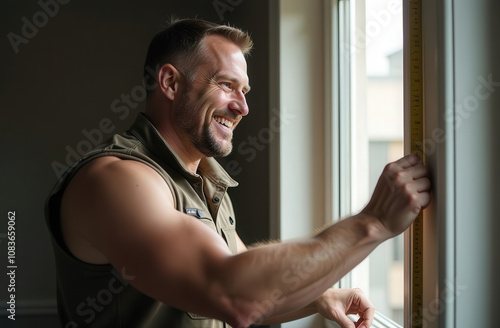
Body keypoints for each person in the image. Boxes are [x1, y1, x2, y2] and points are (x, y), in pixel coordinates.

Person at [45, 18, 431, 328]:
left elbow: (249, 285)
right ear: (169, 82)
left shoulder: (204, 179)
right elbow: (234, 296)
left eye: (244, 90)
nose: (243, 108)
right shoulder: (117, 180)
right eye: (226, 85)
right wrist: (374, 223)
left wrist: (319, 297)